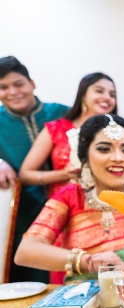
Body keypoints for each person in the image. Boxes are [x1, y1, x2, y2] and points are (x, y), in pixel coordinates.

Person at [14, 114, 124, 286]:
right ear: (84, 157)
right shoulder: (71, 196)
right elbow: (26, 251)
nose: (118, 158)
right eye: (104, 149)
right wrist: (89, 261)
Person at [0, 56, 69, 283]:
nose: (13, 92)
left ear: (32, 83)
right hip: (21, 213)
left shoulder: (61, 113)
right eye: (3, 87)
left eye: (18, 84)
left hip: (69, 208)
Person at [19, 73, 117, 197]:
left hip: (105, 202)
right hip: (63, 204)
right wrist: (65, 174)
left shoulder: (118, 133)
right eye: (99, 91)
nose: (107, 97)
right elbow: (25, 175)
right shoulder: (57, 128)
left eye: (112, 95)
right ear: (83, 94)